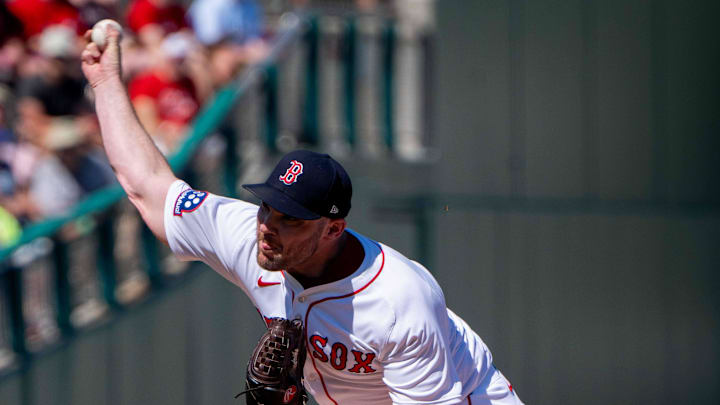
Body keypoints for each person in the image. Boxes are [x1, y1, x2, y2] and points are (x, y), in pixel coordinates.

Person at [80, 27, 524, 405]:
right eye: (268, 207)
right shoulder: (251, 236)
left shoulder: (399, 300)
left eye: (291, 218)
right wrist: (106, 84)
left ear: (333, 228)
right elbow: (148, 187)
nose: (269, 226)